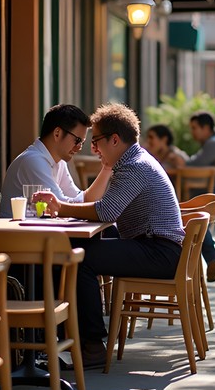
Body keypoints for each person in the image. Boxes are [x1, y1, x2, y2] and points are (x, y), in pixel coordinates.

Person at [32, 103, 188, 369]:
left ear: (114, 140)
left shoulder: (133, 167)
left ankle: (91, 346)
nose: (93, 149)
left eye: (97, 142)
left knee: (81, 260)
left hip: (159, 252)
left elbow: (107, 211)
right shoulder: (135, 160)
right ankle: (67, 336)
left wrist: (59, 207)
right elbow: (107, 211)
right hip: (157, 246)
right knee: (85, 247)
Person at [146, 123, 215, 280]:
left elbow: (189, 168)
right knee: (195, 215)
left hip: (165, 218)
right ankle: (213, 261)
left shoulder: (172, 156)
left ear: (164, 140)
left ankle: (212, 261)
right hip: (160, 219)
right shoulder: (146, 157)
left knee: (196, 213)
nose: (147, 142)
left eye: (151, 138)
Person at [0, 103, 110, 218]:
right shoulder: (33, 161)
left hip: (38, 231)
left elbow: (82, 201)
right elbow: (59, 207)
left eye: (82, 143)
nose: (79, 147)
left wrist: (107, 167)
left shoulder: (59, 161)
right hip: (17, 233)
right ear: (57, 133)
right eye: (77, 140)